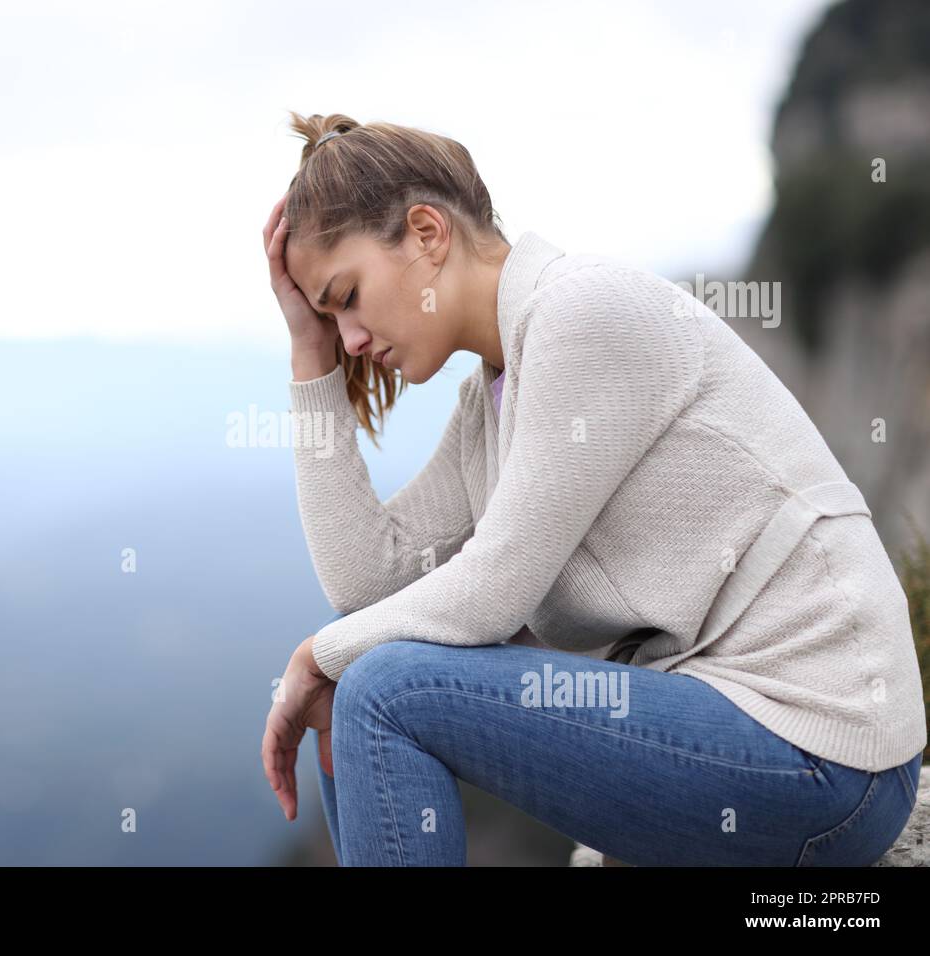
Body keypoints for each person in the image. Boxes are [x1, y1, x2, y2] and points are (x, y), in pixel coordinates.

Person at [259, 111, 927, 866]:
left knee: (377, 687)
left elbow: (493, 590)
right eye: (329, 318)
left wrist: (317, 657)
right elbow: (366, 580)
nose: (350, 339)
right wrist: (307, 354)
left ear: (426, 233)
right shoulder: (495, 394)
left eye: (346, 297)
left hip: (824, 756)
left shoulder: (583, 313)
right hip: (747, 735)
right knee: (364, 680)